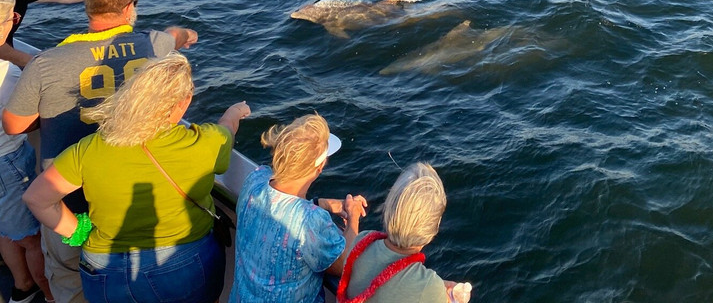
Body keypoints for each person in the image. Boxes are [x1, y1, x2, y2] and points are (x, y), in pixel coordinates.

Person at [2, 0, 198, 303]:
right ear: (129, 9)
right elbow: (177, 35)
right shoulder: (153, 44)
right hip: (132, 197)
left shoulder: (46, 64)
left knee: (70, 280)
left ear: (88, 8)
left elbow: (14, 126)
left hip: (68, 204)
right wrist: (187, 35)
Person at [22, 52, 250, 303]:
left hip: (105, 267)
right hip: (183, 262)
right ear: (184, 102)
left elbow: (36, 198)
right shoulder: (205, 142)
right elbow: (226, 128)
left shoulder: (89, 148)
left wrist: (78, 231)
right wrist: (236, 111)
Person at [230, 114, 368, 303]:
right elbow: (343, 263)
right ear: (319, 168)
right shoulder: (311, 221)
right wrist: (353, 216)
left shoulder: (255, 179)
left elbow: (284, 204)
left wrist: (323, 203)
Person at [337, 163, 472, 303]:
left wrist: (437, 285)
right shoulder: (428, 286)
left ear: (389, 206)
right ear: (434, 227)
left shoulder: (362, 241)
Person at [0, 58, 53, 303]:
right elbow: (23, 119)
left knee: (7, 230)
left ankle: (23, 285)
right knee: (32, 238)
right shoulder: (6, 71)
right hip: (8, 162)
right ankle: (51, 295)